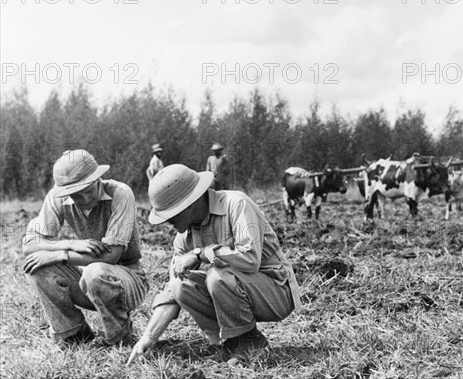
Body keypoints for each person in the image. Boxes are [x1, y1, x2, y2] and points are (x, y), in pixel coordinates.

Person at [127, 164, 301, 366]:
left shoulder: (236, 204)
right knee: (180, 284)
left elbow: (250, 259)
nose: (168, 222)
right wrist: (149, 337)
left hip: (276, 293)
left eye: (171, 214)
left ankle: (250, 340)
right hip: (237, 290)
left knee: (217, 274)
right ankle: (230, 342)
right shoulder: (184, 236)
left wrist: (202, 253)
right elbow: (172, 291)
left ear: (190, 203)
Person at [22, 149, 149, 346]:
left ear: (98, 178)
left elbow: (111, 256)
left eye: (88, 191)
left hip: (126, 279)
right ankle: (74, 333)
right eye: (75, 195)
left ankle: (120, 337)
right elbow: (30, 245)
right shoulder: (58, 196)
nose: (84, 200)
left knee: (95, 271)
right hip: (87, 281)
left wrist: (61, 256)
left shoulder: (120, 193)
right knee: (36, 265)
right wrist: (71, 243)